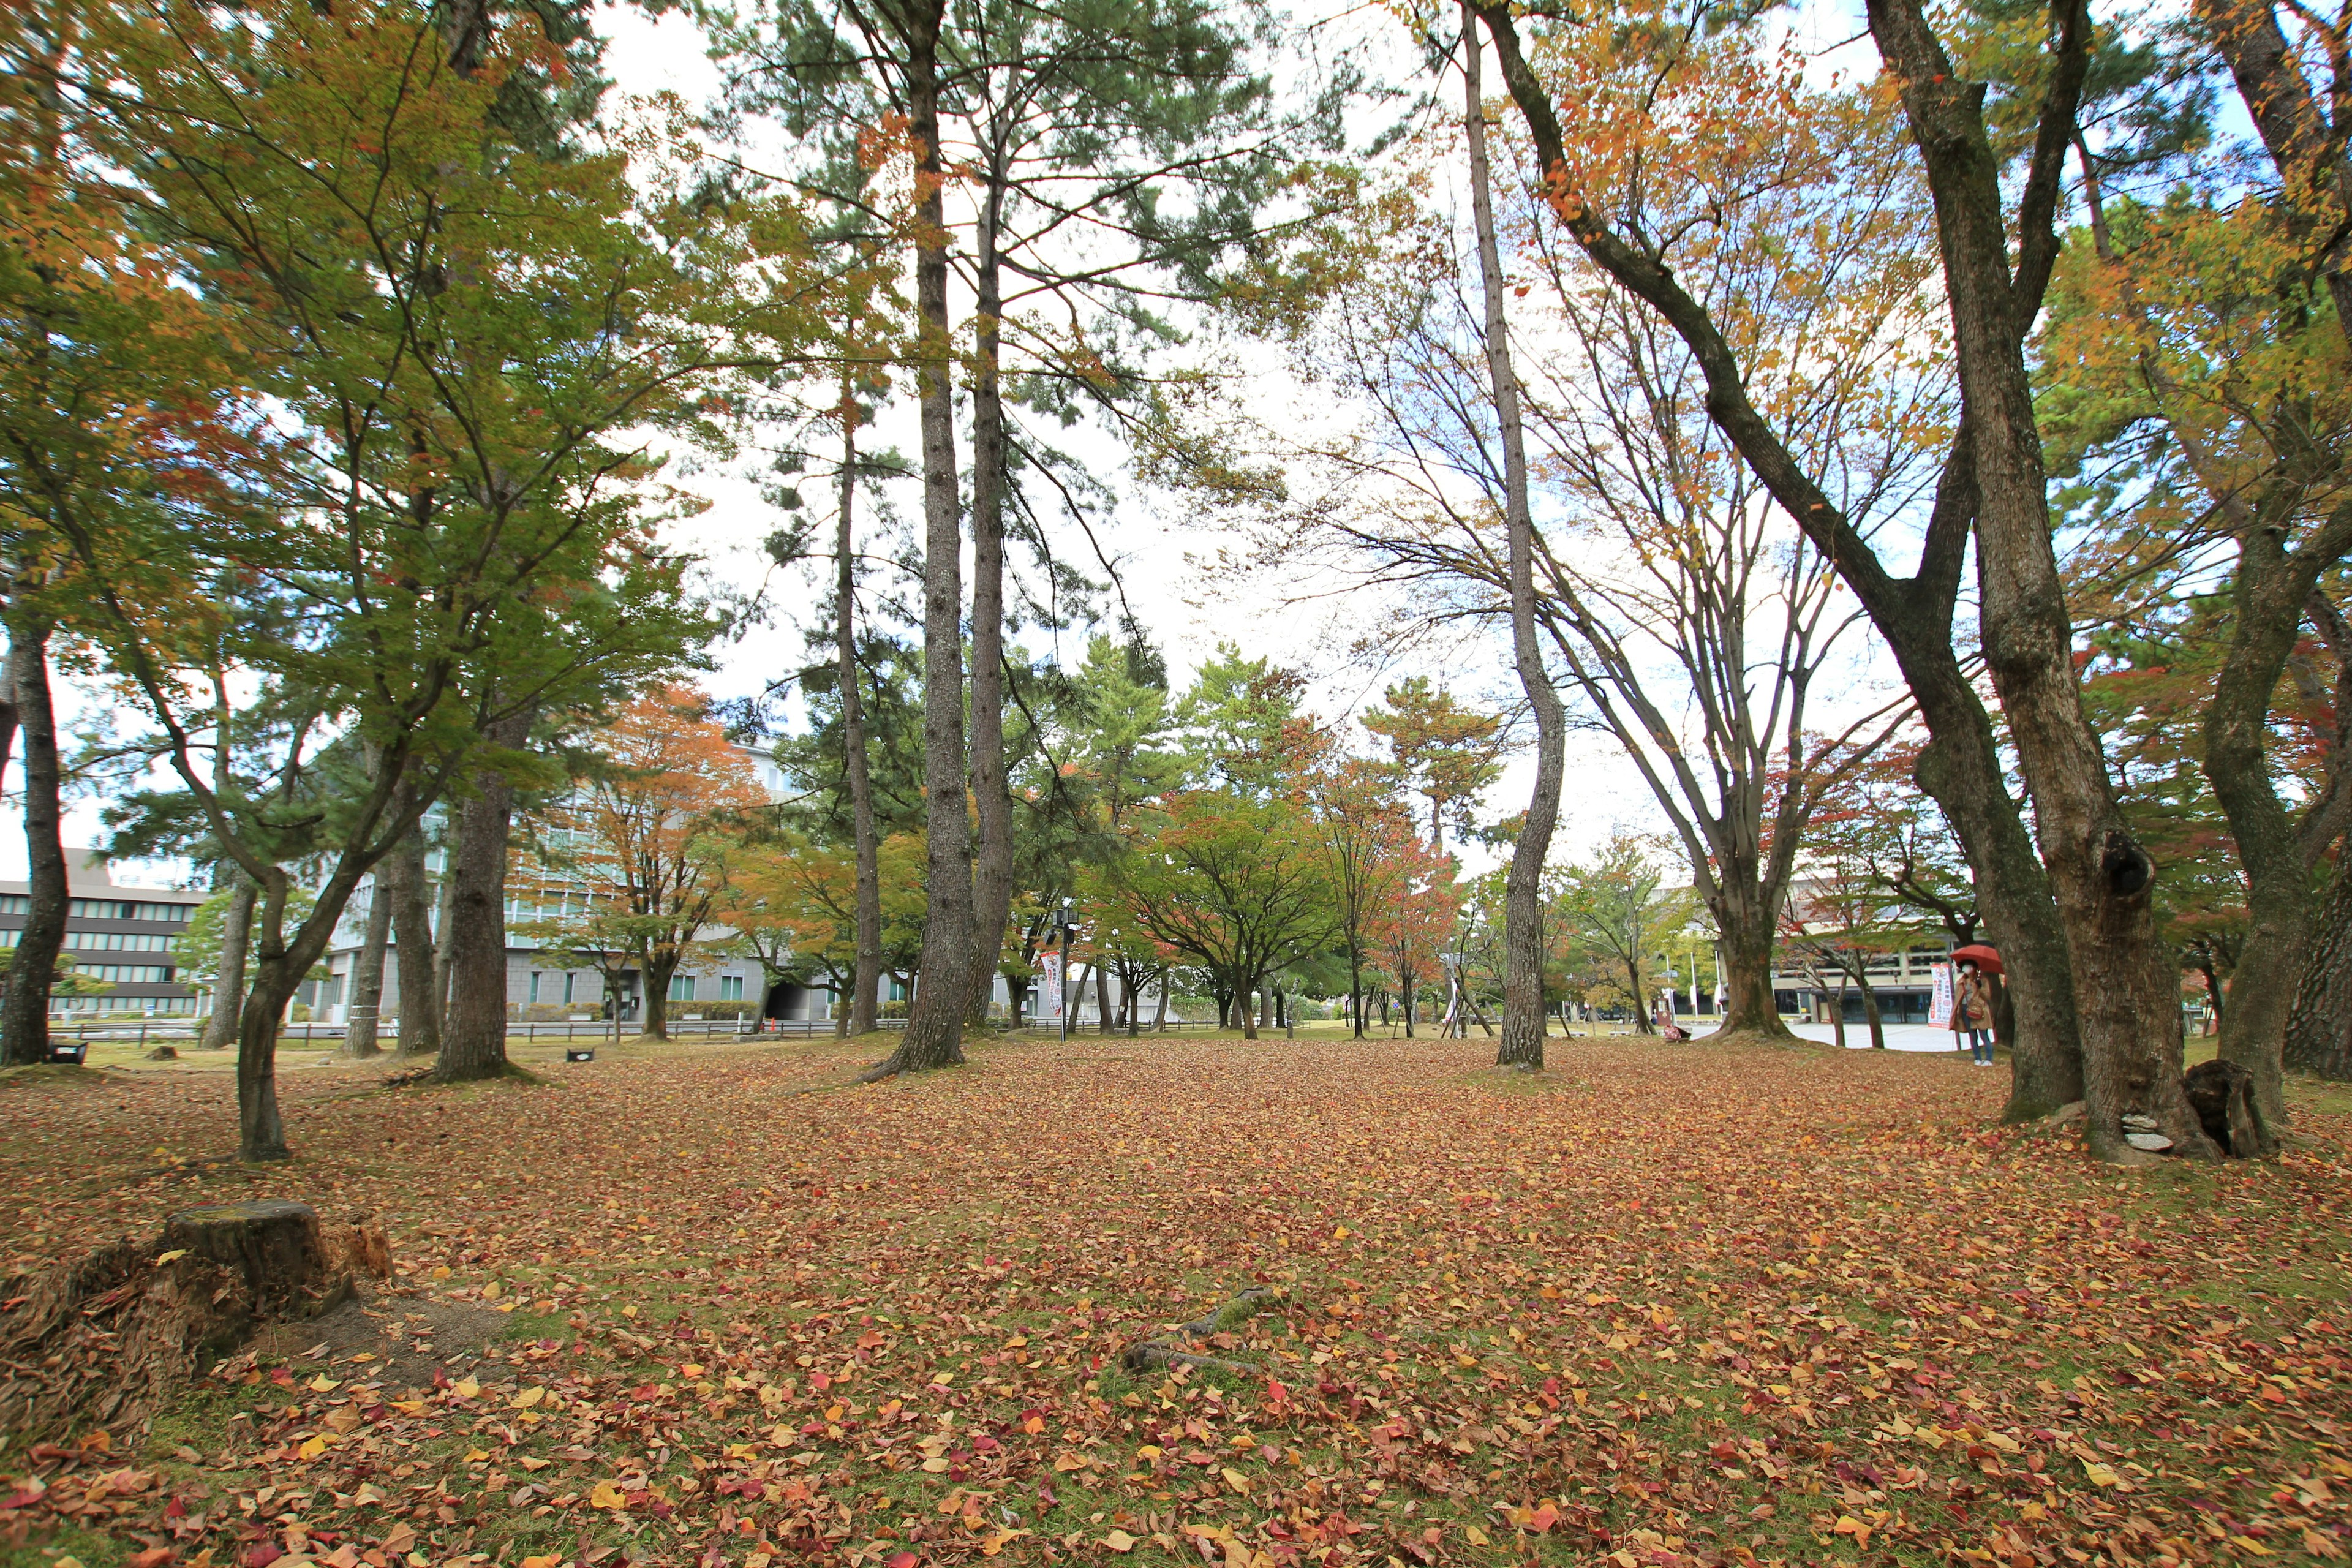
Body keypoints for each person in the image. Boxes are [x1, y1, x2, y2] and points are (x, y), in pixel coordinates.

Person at [1952, 960, 1994, 1066]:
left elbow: (1987, 996)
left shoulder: (1981, 980)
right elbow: (1958, 998)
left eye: (1969, 966)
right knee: (1972, 1035)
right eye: (1965, 967)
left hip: (1979, 1010)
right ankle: (1977, 1058)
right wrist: (1958, 1012)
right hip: (1966, 1010)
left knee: (1984, 1035)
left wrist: (1980, 987)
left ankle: (1989, 1059)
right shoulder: (1961, 982)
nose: (1966, 969)